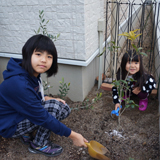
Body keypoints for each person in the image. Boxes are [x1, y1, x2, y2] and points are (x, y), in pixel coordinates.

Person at [0, 34, 88, 157]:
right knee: (54, 109)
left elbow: (31, 95)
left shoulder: (29, 73)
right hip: (8, 125)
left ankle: (26, 134)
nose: (44, 60)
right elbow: (42, 117)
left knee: (63, 108)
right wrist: (73, 135)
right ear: (27, 54)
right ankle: (39, 144)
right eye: (38, 54)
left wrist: (46, 98)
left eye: (49, 56)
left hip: (18, 115)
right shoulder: (18, 83)